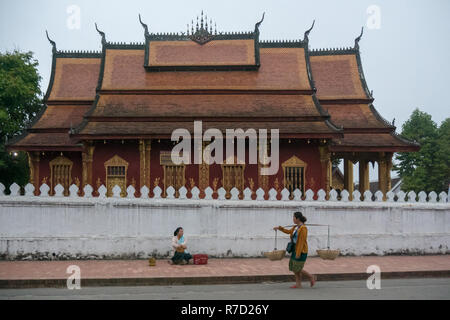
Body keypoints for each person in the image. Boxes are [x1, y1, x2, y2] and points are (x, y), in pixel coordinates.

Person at [274, 211, 316, 288]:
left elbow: (301, 242)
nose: (293, 219)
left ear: (298, 218)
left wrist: (298, 253)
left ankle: (311, 276)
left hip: (301, 251)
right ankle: (298, 284)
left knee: (297, 268)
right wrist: (279, 228)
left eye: (294, 217)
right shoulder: (296, 227)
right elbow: (288, 232)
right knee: (294, 268)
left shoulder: (303, 229)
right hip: (295, 250)